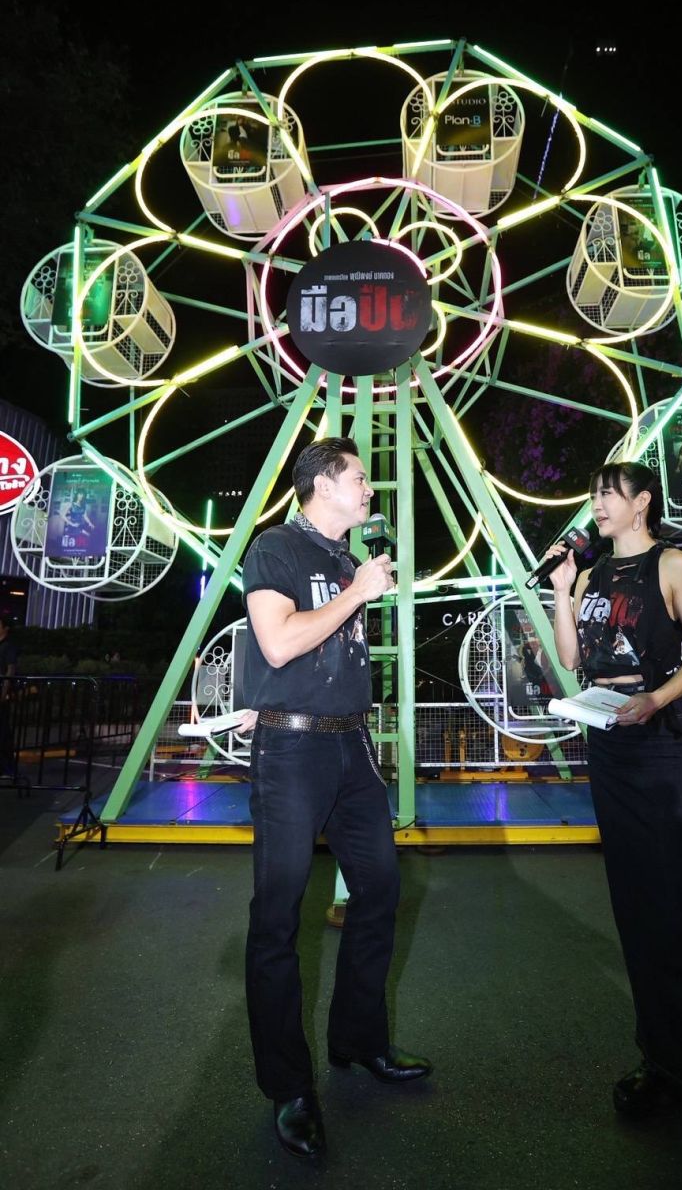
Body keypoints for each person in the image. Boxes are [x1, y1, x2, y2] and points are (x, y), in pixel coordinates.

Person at [545, 461, 682, 1190]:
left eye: (609, 494)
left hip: (657, 740)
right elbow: (572, 660)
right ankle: (664, 1062)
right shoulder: (593, 575)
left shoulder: (673, 565)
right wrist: (562, 592)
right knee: (636, 913)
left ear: (641, 503)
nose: (597, 504)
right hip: (608, 739)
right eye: (593, 494)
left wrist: (656, 701)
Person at [238, 437, 431, 1160]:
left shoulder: (350, 560)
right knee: (278, 917)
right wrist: (356, 594)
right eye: (359, 478)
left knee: (379, 890)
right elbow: (277, 643)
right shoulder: (275, 548)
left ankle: (359, 1040)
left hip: (351, 745)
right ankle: (289, 1087)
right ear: (322, 485)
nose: (370, 490)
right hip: (292, 752)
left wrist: (356, 584)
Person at [0, 615, 18, 778]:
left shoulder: (8, 646)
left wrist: (4, 693)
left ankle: (7, 768)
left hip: (1, 694)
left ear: (6, 628)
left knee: (3, 732)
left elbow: (10, 669)